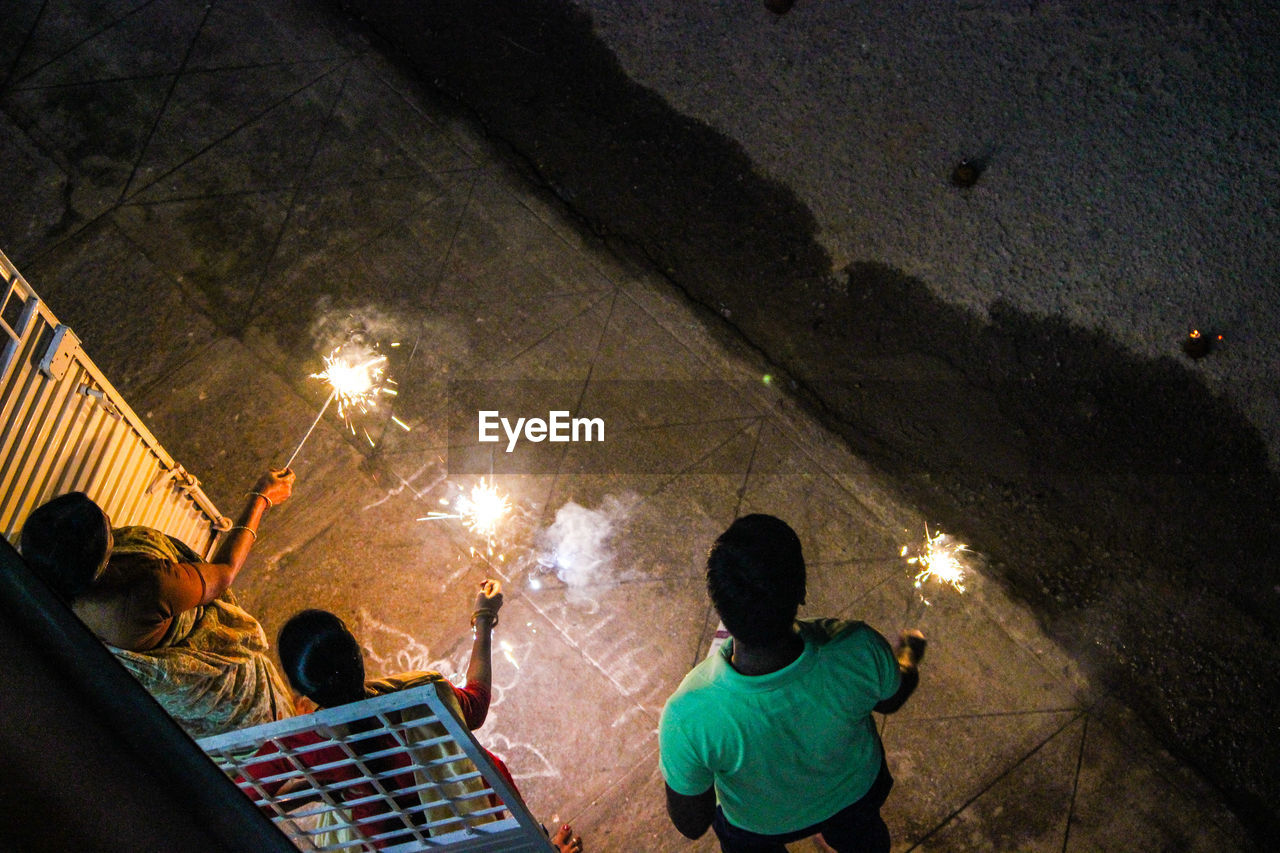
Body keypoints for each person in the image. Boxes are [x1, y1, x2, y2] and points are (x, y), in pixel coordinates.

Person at [242, 588, 585, 852]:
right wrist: (483, 619)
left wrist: (322, 785)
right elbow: (476, 704)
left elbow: (243, 797)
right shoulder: (423, 692)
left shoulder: (302, 743)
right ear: (357, 655)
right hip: (471, 833)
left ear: (303, 690)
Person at [658, 514, 926, 853]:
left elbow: (692, 823)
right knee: (863, 840)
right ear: (801, 589)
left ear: (720, 606)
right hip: (854, 794)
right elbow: (890, 699)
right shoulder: (857, 646)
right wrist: (906, 659)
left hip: (758, 825)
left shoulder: (688, 715)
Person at [19, 469, 297, 737]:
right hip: (234, 698)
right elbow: (224, 573)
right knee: (283, 735)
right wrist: (261, 497)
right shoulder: (148, 589)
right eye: (100, 517)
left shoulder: (57, 590)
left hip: (195, 719)